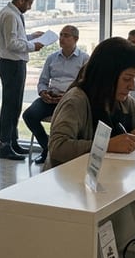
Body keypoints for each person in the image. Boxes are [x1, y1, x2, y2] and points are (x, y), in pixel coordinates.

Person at [44, 37, 135, 170]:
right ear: (108, 75)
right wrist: (107, 145)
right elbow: (58, 147)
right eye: (127, 79)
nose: (132, 86)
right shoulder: (76, 101)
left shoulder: (119, 99)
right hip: (72, 182)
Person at [22, 25, 89, 165]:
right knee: (29, 115)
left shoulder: (84, 59)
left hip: (71, 101)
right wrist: (43, 92)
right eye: (61, 35)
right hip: (50, 98)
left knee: (67, 123)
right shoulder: (52, 58)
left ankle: (62, 151)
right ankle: (48, 147)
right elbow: (43, 81)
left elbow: (86, 84)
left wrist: (68, 95)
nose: (62, 38)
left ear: (75, 39)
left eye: (66, 35)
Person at [0, 0, 45, 160]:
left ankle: (13, 141)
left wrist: (31, 36)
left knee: (15, 105)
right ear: (21, 0)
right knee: (9, 106)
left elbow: (16, 38)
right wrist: (33, 46)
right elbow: (11, 44)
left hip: (16, 63)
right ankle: (5, 146)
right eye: (30, 3)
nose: (30, 7)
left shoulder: (13, 13)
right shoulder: (10, 15)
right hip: (12, 64)